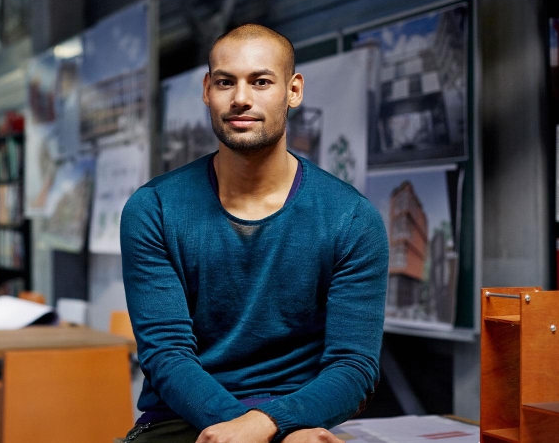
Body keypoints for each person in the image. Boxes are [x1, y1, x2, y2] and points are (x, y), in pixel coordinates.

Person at [119, 23, 389, 443]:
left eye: (261, 81)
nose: (241, 98)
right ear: (207, 90)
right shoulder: (154, 208)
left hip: (300, 418)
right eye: (226, 82)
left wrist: (270, 425)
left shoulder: (351, 218)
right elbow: (166, 355)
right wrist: (247, 429)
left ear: (293, 91)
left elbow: (353, 366)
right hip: (182, 419)